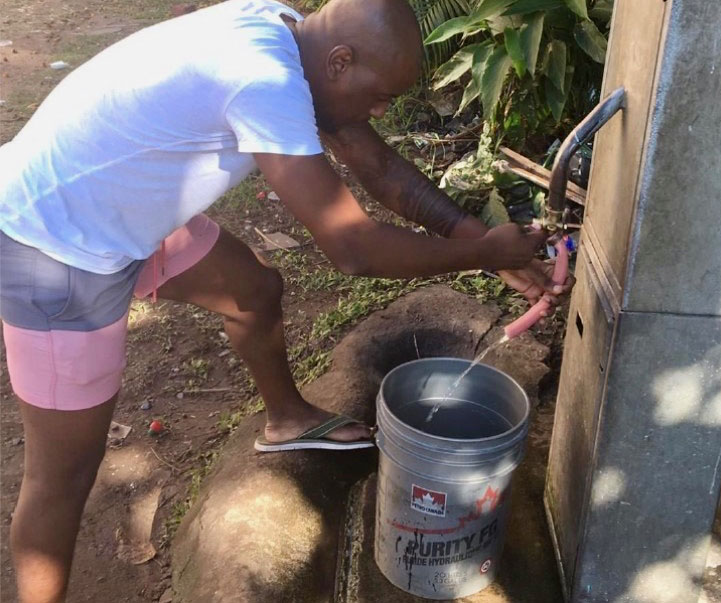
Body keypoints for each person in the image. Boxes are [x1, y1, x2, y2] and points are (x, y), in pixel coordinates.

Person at [0, 0, 570, 599]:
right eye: (379, 97)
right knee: (62, 476)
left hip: (121, 206)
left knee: (252, 290)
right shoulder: (264, 79)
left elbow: (372, 160)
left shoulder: (289, 31)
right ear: (341, 61)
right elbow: (352, 248)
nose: (380, 112)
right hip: (54, 244)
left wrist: (481, 242)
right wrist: (485, 255)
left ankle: (287, 420)